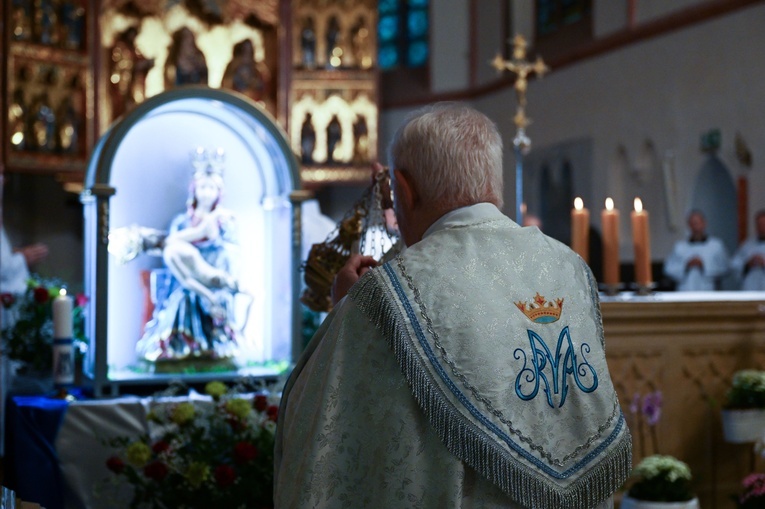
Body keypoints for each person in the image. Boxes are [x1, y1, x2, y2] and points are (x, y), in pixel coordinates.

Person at [274, 104, 631, 508]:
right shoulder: (570, 267)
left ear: (405, 191)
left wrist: (346, 308)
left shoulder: (385, 294)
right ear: (492, 182)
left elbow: (333, 434)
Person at [664, 210, 730, 291]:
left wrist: (704, 265)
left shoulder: (716, 245)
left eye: (697, 223)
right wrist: (686, 265)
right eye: (692, 224)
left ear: (704, 223)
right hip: (686, 290)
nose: (695, 227)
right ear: (688, 225)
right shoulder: (679, 247)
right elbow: (669, 269)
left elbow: (725, 267)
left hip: (708, 290)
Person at [732, 210, 765, 291]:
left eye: (763, 224)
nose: (761, 227)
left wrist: (763, 263)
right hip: (750, 289)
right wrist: (747, 264)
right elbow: (735, 265)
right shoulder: (747, 245)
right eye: (759, 224)